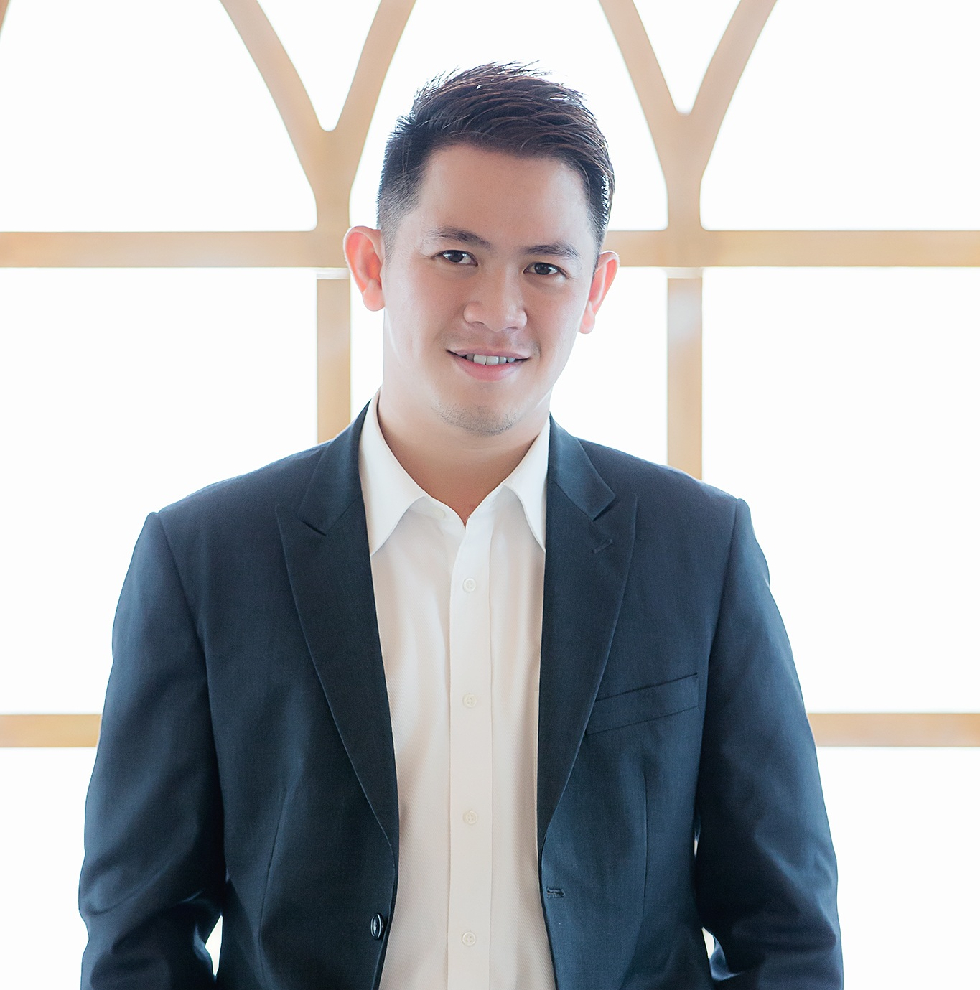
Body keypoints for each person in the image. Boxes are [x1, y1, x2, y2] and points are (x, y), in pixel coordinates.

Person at [79, 63, 842, 989]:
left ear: (596, 291)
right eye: (455, 256)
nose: (498, 311)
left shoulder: (700, 550)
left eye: (545, 268)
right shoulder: (204, 559)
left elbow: (787, 930)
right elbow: (138, 937)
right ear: (372, 265)